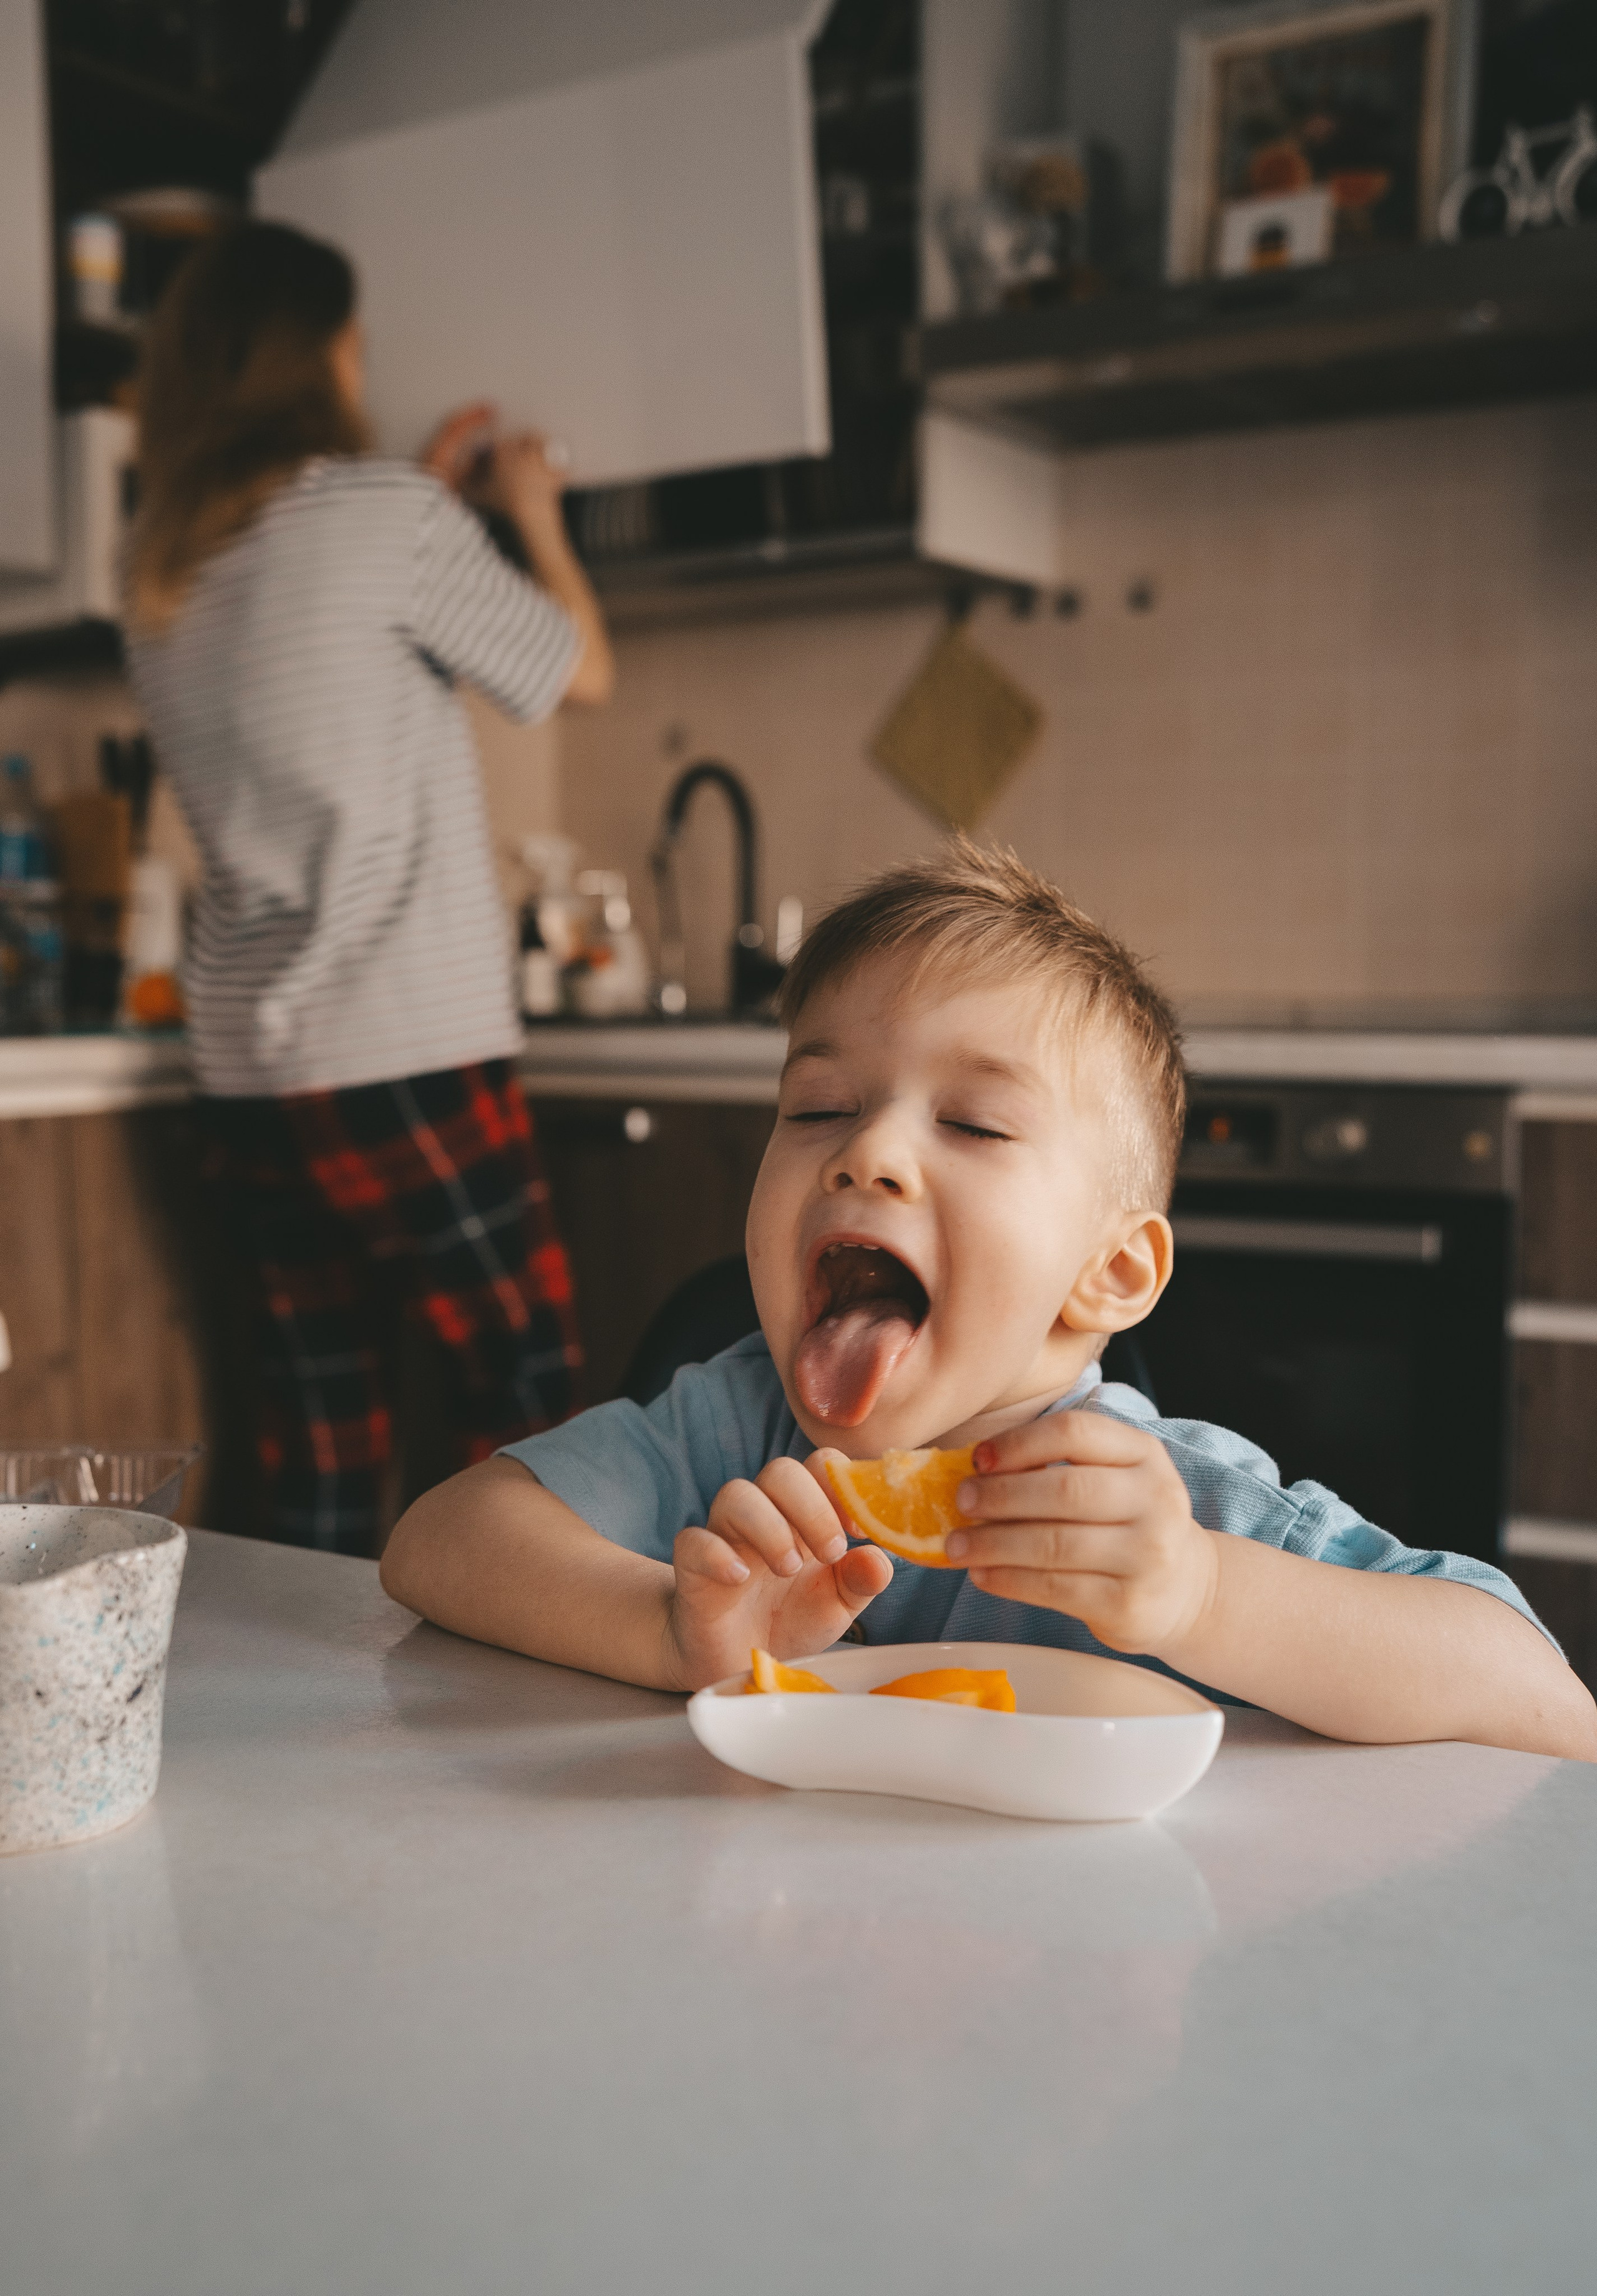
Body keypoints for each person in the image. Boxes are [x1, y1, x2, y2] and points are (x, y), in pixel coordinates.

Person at [381, 846, 1597, 1760]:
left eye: (972, 1123)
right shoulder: (738, 1428)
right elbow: (437, 1540)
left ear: (1111, 1272)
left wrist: (1201, 1593)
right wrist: (670, 1628)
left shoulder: (1160, 1505)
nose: (865, 1152)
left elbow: (1547, 1704)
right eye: (818, 1107)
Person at [126, 220, 615, 1554]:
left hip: (252, 1070)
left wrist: (421, 499)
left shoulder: (159, 572)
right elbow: (579, 669)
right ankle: (502, 1657)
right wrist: (527, 508)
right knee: (523, 1406)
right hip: (408, 1052)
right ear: (319, 357)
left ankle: (316, 1688)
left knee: (321, 1444)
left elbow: (318, 637)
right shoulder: (386, 520)